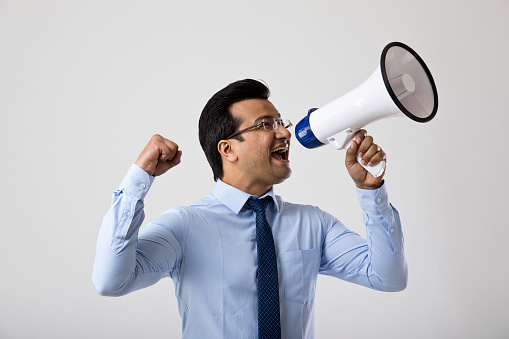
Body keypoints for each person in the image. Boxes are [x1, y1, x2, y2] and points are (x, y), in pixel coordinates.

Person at [92, 79, 407, 339]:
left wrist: (371, 191)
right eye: (266, 125)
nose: (284, 132)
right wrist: (139, 177)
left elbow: (389, 277)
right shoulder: (185, 226)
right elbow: (111, 281)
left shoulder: (313, 223)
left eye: (280, 123)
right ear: (228, 149)